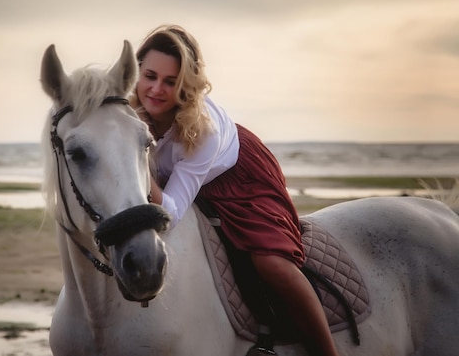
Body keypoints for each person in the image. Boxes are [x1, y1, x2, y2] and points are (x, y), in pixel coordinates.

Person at [130, 24, 340, 356]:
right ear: (136, 72)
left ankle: (326, 351)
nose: (156, 89)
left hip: (240, 178)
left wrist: (137, 164)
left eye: (171, 82)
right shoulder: (128, 112)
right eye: (150, 76)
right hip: (183, 181)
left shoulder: (204, 132)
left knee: (272, 263)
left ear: (186, 86)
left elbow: (169, 211)